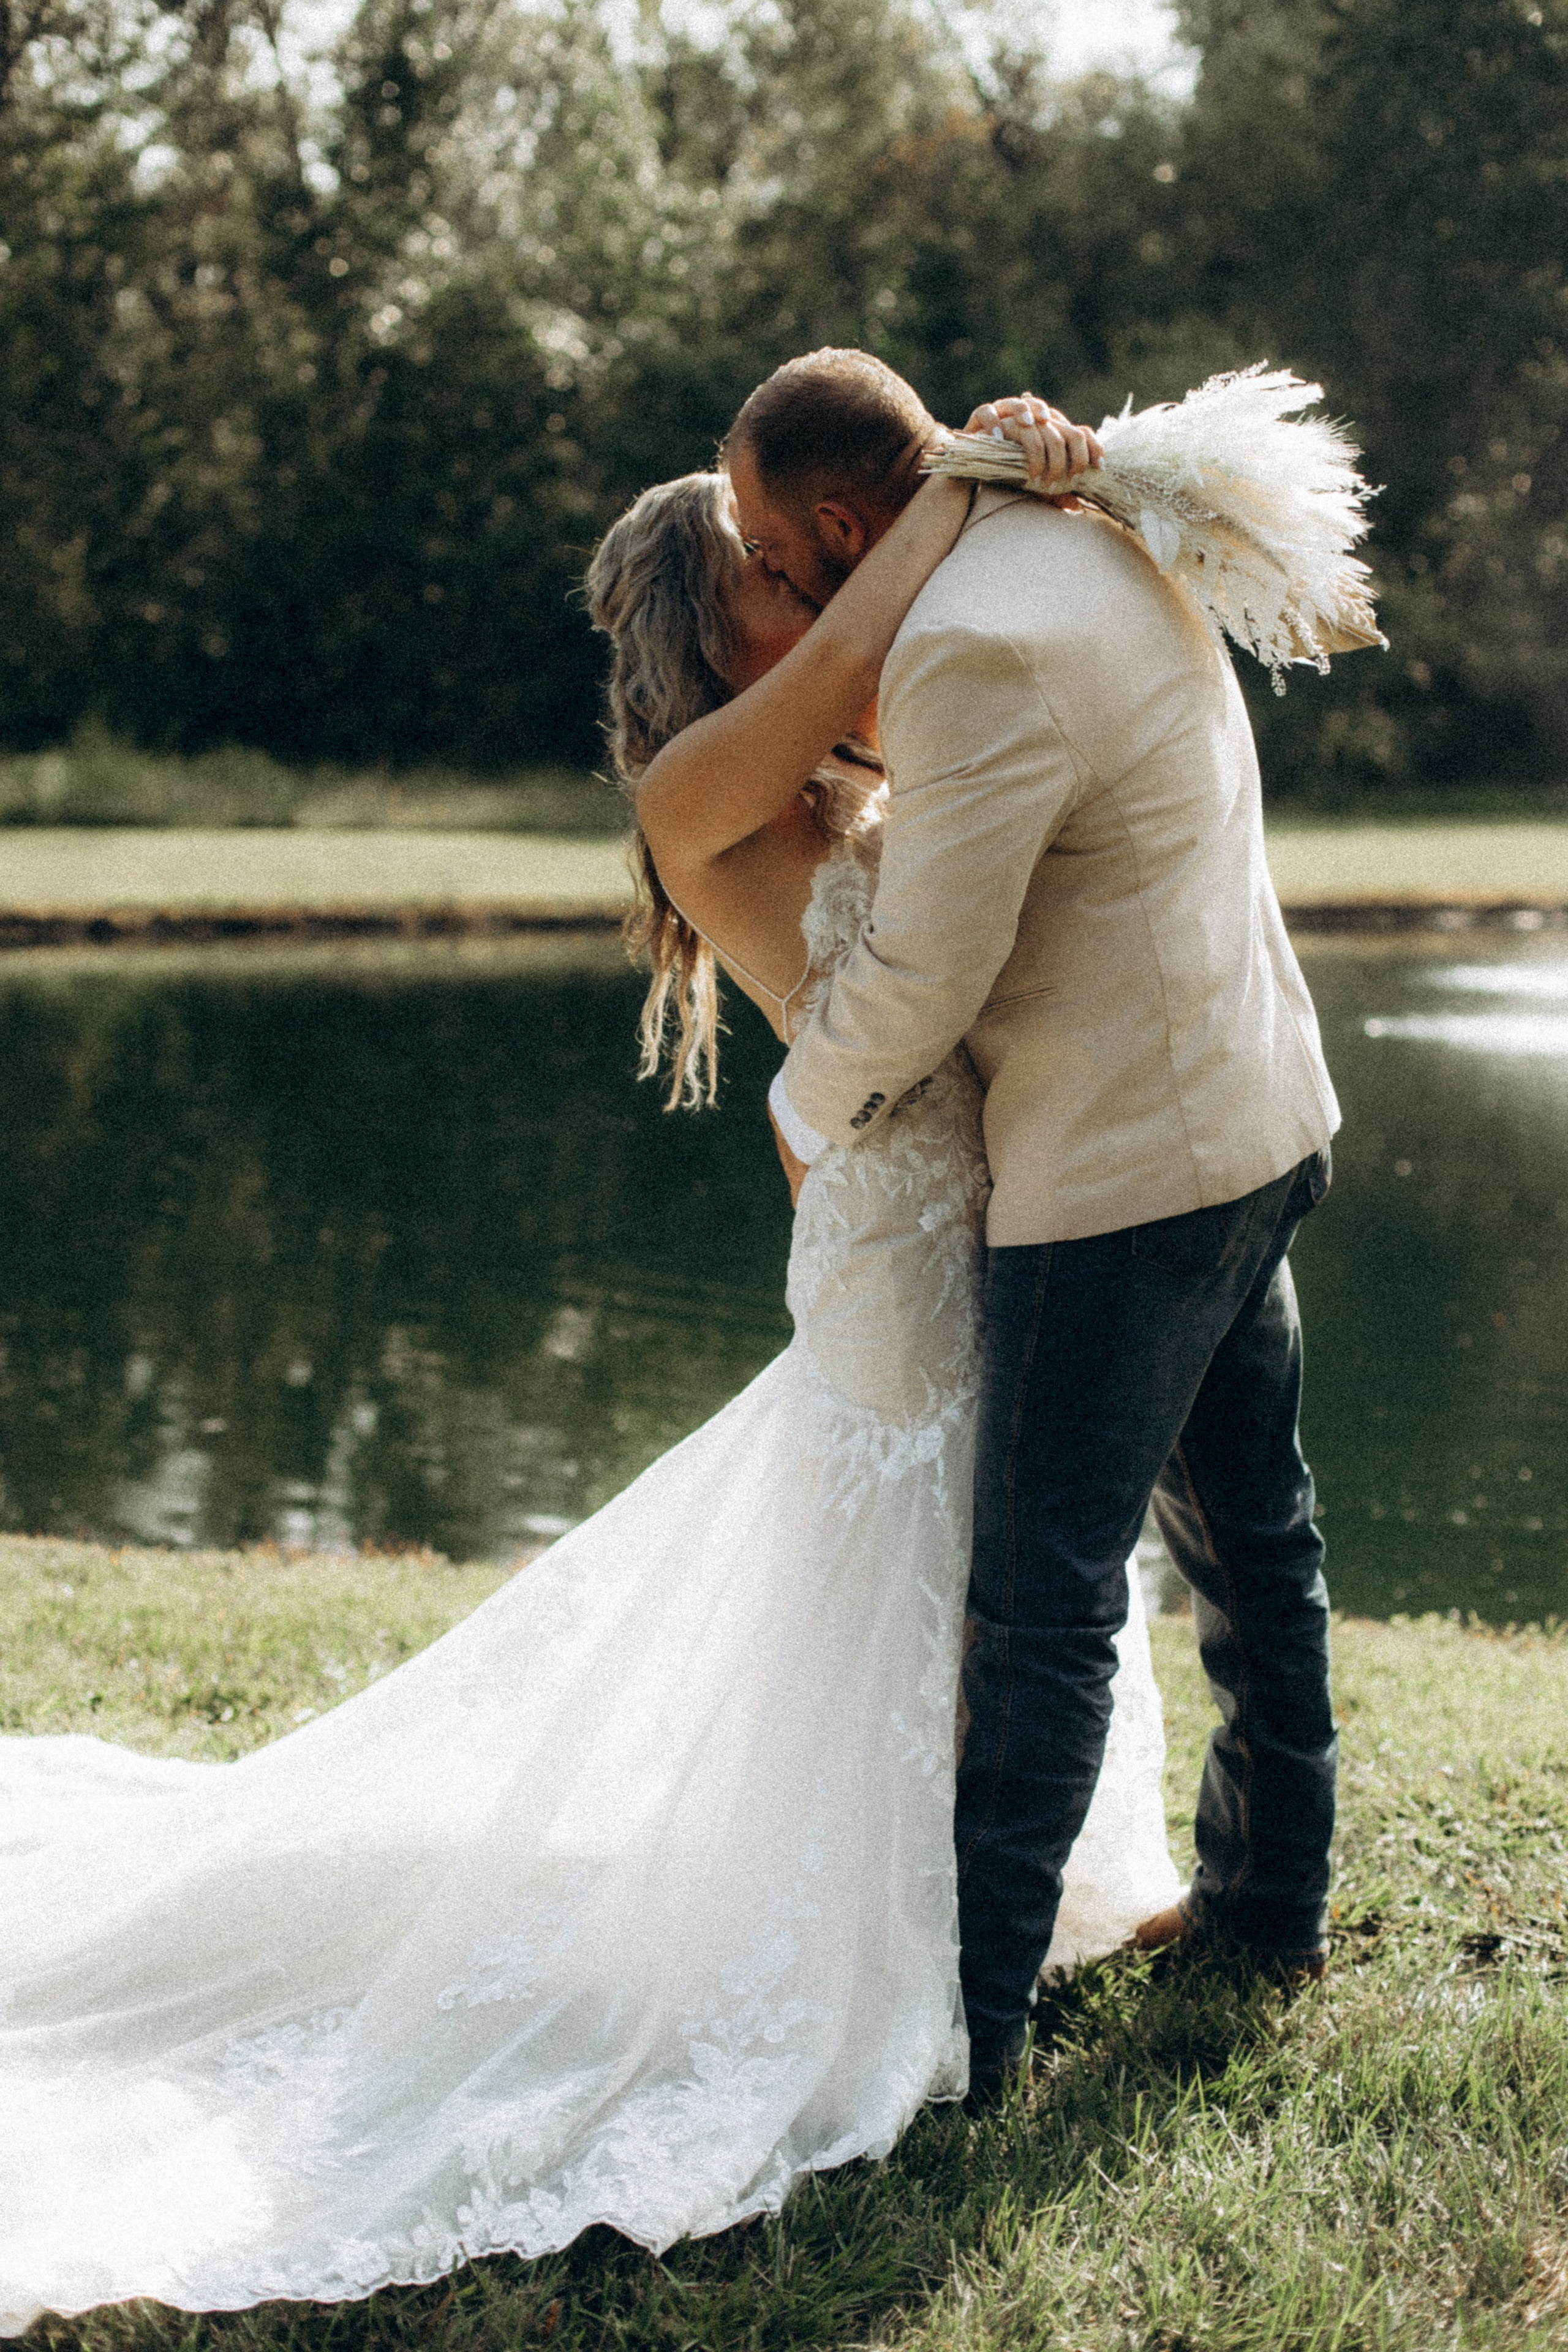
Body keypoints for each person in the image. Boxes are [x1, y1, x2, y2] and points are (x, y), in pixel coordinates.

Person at [0, 394, 1180, 2339]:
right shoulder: (703, 799)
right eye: (769, 584)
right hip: (902, 1270)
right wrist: (960, 476)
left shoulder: (832, 771)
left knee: (1002, 1563)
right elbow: (889, 625)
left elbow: (929, 676)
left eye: (802, 560)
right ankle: (898, 1936)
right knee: (917, 1566)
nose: (807, 595)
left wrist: (1016, 460)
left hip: (950, 1221)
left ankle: (1031, 1875)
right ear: (704, 640)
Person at [736, 348, 1341, 2100]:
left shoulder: (973, 642)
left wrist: (798, 1107)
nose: (773, 594)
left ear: (847, 523)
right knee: (1259, 1544)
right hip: (1255, 1111)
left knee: (1041, 1608)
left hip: (1129, 1182)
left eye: (775, 562)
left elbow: (927, 973)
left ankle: (978, 2023)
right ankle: (1265, 1906)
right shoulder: (1090, 535)